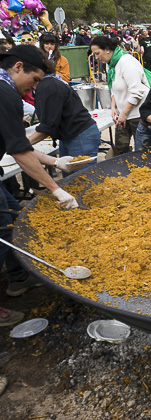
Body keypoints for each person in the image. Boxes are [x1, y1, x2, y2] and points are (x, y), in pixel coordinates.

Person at [0, 46, 81, 301]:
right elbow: (20, 152)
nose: (34, 88)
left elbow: (18, 146)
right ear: (18, 67)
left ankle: (19, 278)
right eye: (34, 79)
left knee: (14, 216)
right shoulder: (5, 94)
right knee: (4, 229)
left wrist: (56, 164)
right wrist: (56, 189)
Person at [29, 74, 101, 176]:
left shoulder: (48, 86)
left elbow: (48, 127)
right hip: (68, 136)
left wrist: (25, 143)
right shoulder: (46, 84)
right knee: (69, 177)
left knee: (84, 180)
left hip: (80, 136)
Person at [90, 36, 150, 155]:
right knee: (120, 147)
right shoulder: (110, 63)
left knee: (141, 151)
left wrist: (124, 114)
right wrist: (113, 107)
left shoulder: (126, 62)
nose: (96, 57)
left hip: (137, 113)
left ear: (107, 49)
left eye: (97, 53)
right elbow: (114, 88)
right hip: (123, 113)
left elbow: (137, 91)